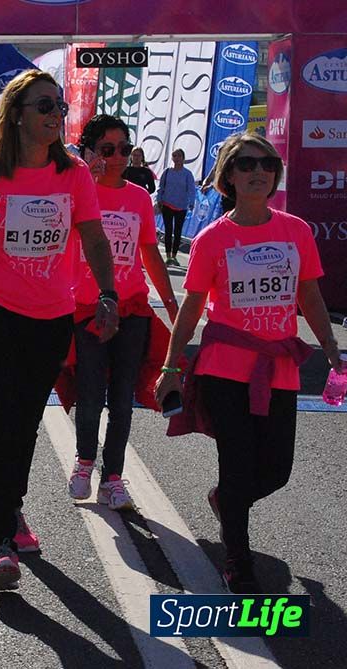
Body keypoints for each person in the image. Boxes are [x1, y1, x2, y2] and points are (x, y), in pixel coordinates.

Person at [0, 70, 118, 591]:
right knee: (1, 428)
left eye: (59, 106)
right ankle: (0, 544)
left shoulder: (74, 173)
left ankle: (11, 509)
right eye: (44, 106)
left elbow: (94, 238)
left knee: (25, 423)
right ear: (16, 115)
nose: (56, 114)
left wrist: (107, 294)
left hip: (51, 321)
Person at [155, 133, 339, 593]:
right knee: (237, 464)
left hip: (279, 367)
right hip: (225, 369)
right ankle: (237, 559)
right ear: (229, 177)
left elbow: (309, 295)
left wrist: (331, 348)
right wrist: (171, 367)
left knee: (276, 469)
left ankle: (226, 500)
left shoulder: (296, 231)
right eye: (247, 164)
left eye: (267, 164)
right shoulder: (213, 239)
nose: (259, 171)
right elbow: (192, 308)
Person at [68, 114, 179, 510]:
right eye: (106, 149)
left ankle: (112, 478)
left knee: (121, 398)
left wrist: (171, 304)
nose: (117, 157)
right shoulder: (77, 192)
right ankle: (84, 462)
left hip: (131, 308)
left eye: (123, 149)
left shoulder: (138, 198)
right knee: (89, 393)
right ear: (90, 152)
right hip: (87, 308)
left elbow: (149, 253)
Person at [156, 148, 197, 266]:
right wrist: (159, 199)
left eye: (179, 156)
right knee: (168, 230)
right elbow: (160, 187)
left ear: (183, 158)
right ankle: (168, 256)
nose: (177, 158)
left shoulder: (187, 174)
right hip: (167, 204)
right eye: (174, 156)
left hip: (181, 206)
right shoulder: (167, 172)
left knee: (177, 231)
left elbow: (191, 189)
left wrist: (191, 202)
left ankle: (174, 256)